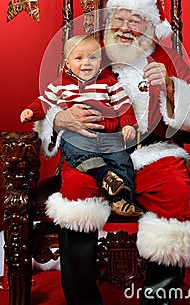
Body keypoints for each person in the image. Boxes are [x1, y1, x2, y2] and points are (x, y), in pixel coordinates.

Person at [35, 0, 190, 305]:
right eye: (120, 19)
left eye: (137, 20)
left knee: (173, 189)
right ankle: (83, 301)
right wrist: (62, 119)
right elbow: (53, 97)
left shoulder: (166, 58)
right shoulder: (88, 51)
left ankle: (159, 299)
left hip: (151, 151)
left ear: (151, 25)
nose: (126, 28)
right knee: (76, 197)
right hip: (94, 149)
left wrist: (172, 89)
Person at [20, 34, 142, 217]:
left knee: (123, 160)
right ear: (67, 64)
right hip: (78, 135)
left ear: (100, 61)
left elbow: (123, 105)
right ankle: (103, 173)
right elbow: (44, 102)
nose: (87, 62)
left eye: (93, 57)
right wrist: (31, 112)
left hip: (107, 135)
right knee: (74, 148)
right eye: (79, 58)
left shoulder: (108, 83)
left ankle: (121, 198)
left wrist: (128, 125)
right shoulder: (61, 85)